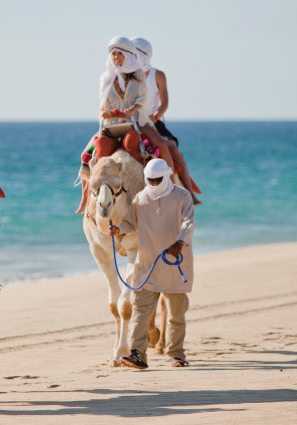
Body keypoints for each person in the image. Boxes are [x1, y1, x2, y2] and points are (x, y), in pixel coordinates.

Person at [109, 158, 195, 369]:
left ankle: (177, 354)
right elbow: (130, 221)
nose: (154, 184)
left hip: (175, 263)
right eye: (151, 180)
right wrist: (119, 229)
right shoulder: (141, 198)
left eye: (158, 180)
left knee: (176, 314)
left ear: (166, 176)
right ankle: (138, 354)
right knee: (140, 312)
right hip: (147, 263)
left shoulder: (182, 196)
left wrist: (181, 240)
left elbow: (188, 221)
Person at [130, 36, 201, 206]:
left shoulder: (158, 75)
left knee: (174, 150)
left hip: (154, 123)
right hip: (133, 122)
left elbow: (165, 103)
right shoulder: (128, 76)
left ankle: (189, 194)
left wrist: (155, 115)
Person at [95, 36, 174, 169]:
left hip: (137, 120)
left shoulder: (138, 75)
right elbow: (103, 104)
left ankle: (170, 187)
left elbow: (143, 99)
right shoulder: (105, 78)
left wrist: (133, 109)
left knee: (162, 145)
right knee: (91, 152)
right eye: (113, 53)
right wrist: (106, 112)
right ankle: (92, 187)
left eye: (120, 53)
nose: (116, 57)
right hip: (113, 123)